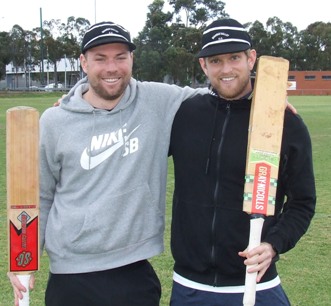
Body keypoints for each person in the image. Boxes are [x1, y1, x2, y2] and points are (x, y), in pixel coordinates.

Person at [7, 21, 209, 306]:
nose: (112, 68)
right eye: (100, 58)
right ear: (83, 62)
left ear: (132, 59)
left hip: (134, 272)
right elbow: (39, 197)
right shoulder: (55, 121)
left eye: (120, 57)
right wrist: (24, 261)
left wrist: (263, 97)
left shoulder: (157, 101)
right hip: (71, 275)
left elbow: (217, 96)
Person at [168, 18, 316, 305]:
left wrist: (274, 244)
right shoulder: (185, 114)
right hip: (189, 287)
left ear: (251, 59)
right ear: (203, 65)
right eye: (216, 60)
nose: (226, 69)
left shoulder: (285, 123)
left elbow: (303, 202)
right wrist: (78, 98)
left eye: (234, 57)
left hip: (256, 285)